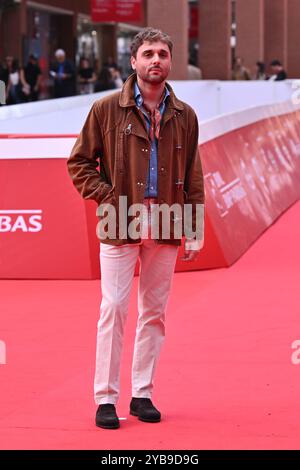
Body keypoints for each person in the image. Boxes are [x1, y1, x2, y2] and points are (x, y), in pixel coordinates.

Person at [67, 27, 205, 430]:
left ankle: (142, 393)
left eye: (162, 53)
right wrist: (107, 196)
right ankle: (105, 398)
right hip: (119, 218)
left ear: (170, 60)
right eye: (148, 53)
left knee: (154, 314)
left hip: (166, 221)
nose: (155, 60)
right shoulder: (106, 108)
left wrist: (193, 226)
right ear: (134, 61)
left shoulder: (185, 115)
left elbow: (193, 175)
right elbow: (78, 163)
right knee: (113, 309)